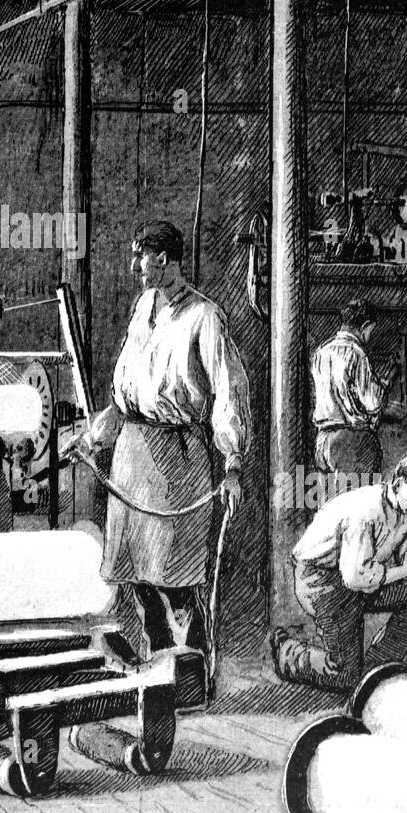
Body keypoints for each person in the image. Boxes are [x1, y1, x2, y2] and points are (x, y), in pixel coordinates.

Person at [68, 220, 251, 666]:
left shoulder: (204, 317)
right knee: (134, 571)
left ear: (164, 259)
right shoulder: (143, 306)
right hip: (131, 453)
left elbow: (230, 390)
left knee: (175, 573)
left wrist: (231, 464)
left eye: (140, 256)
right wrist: (95, 437)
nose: (134, 266)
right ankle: (159, 658)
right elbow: (126, 393)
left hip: (176, 459)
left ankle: (193, 663)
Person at [268, 449, 407, 693]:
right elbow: (354, 577)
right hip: (320, 580)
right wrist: (404, 570)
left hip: (360, 579)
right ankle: (288, 653)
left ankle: (374, 669)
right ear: (398, 484)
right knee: (344, 675)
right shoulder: (366, 511)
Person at [311, 297, 394, 490]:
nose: (369, 336)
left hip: (323, 442)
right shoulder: (356, 353)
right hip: (351, 442)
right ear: (364, 326)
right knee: (356, 509)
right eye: (370, 330)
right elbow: (373, 401)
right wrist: (384, 383)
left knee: (328, 509)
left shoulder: (321, 352)